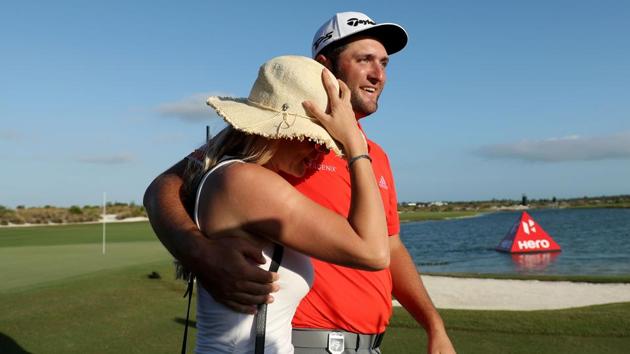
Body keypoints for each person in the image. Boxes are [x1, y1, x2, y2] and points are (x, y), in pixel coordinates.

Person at [144, 11, 456, 354]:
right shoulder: (274, 136)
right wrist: (197, 252)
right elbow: (164, 188)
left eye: (384, 62)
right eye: (364, 59)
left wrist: (433, 324)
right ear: (325, 66)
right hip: (299, 339)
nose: (378, 74)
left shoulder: (375, 157)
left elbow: (391, 248)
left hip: (368, 347)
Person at [186, 55, 389, 353]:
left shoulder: (237, 177)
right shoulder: (245, 182)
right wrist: (355, 147)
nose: (320, 152)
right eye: (312, 138)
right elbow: (373, 251)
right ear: (277, 131)